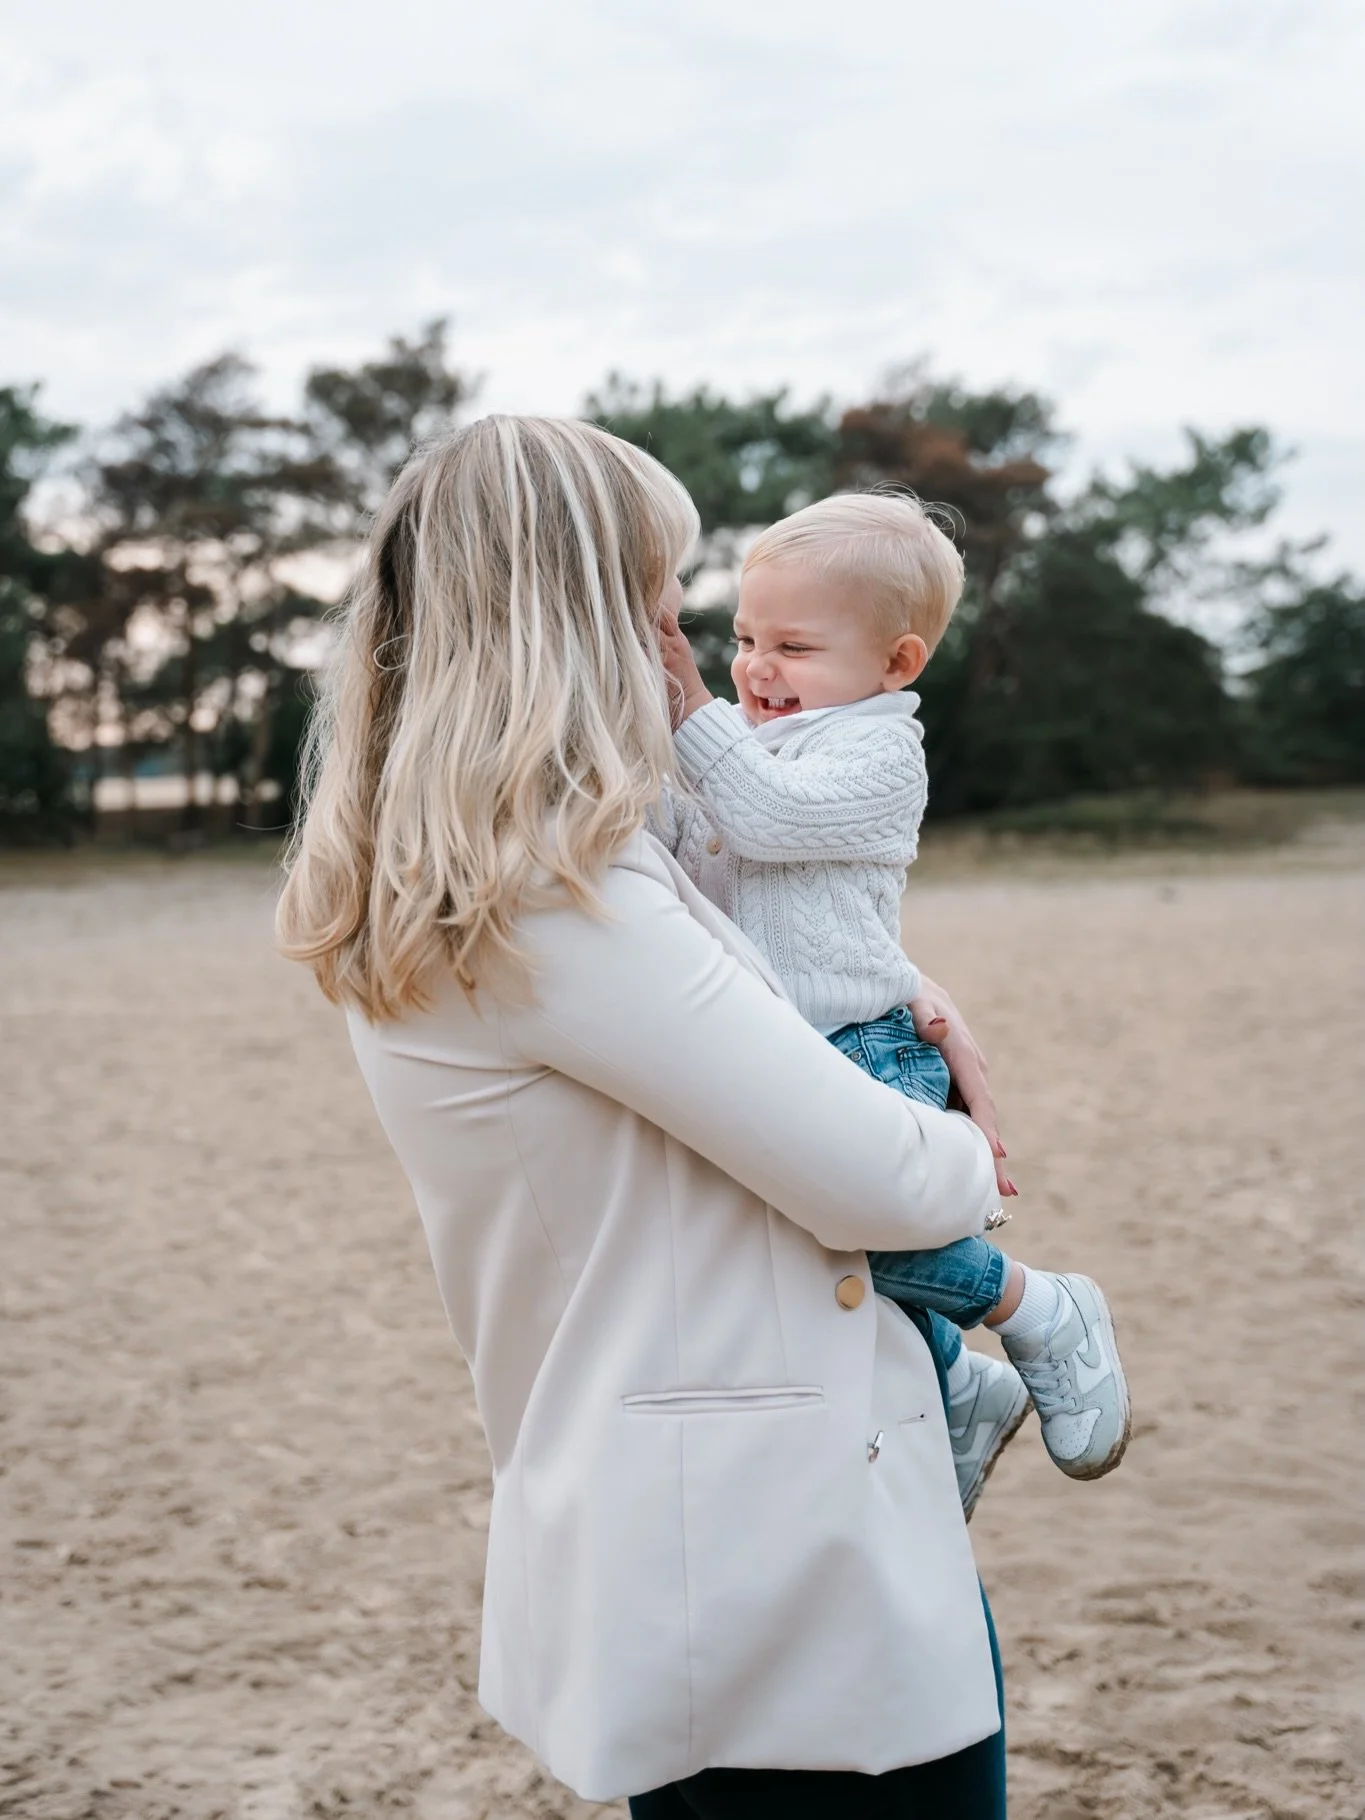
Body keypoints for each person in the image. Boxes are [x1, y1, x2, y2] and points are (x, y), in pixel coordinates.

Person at [277, 416, 1011, 1816]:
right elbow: (885, 1181)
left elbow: (750, 970)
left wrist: (910, 992)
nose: (688, 652)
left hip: (705, 1530)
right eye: (663, 611)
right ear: (576, 631)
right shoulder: (558, 908)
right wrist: (971, 1141)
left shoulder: (482, 879)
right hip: (762, 1566)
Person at [655, 492, 1131, 1516]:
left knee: (847, 1223)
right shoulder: (747, 742)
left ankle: (1036, 1305)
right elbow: (691, 842)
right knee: (808, 1243)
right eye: (743, 640)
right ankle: (960, 1386)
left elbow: (769, 819)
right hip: (780, 1040)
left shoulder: (878, 754)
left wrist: (687, 706)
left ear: (896, 663)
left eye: (792, 646)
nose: (754, 667)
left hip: (860, 1040)